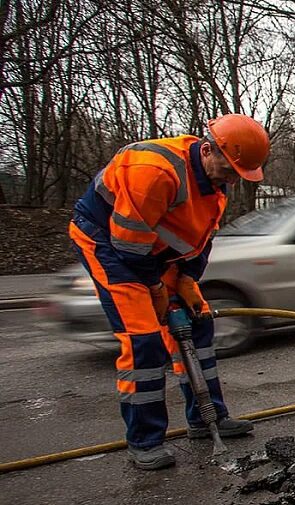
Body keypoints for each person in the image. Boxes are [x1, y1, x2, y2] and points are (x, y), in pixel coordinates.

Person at [69, 114, 271, 470]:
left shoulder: (214, 186)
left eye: (238, 175)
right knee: (144, 339)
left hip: (156, 252)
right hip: (107, 244)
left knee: (198, 325)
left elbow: (200, 240)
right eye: (229, 171)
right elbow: (128, 244)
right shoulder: (155, 170)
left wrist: (188, 279)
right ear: (207, 151)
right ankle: (144, 441)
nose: (232, 181)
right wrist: (155, 287)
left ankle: (207, 418)